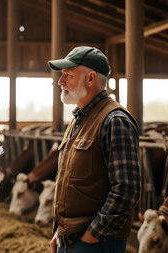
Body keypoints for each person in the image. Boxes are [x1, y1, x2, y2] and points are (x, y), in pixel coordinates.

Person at [47, 46, 141, 253]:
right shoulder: (78, 119)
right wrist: (61, 232)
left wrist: (91, 236)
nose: (60, 81)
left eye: (67, 75)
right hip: (70, 237)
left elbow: (126, 190)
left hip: (97, 243)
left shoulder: (114, 120)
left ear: (90, 78)